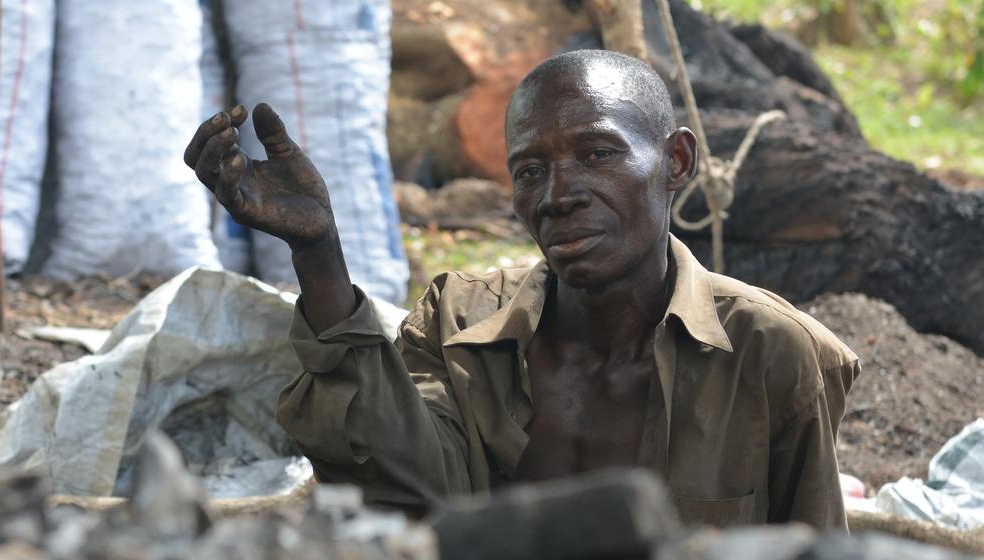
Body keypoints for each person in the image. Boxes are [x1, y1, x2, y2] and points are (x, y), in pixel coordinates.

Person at [184, 50, 859, 528]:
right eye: (529, 170)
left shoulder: (772, 353)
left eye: (597, 154)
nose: (559, 195)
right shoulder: (456, 321)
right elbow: (400, 488)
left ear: (675, 161)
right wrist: (318, 253)